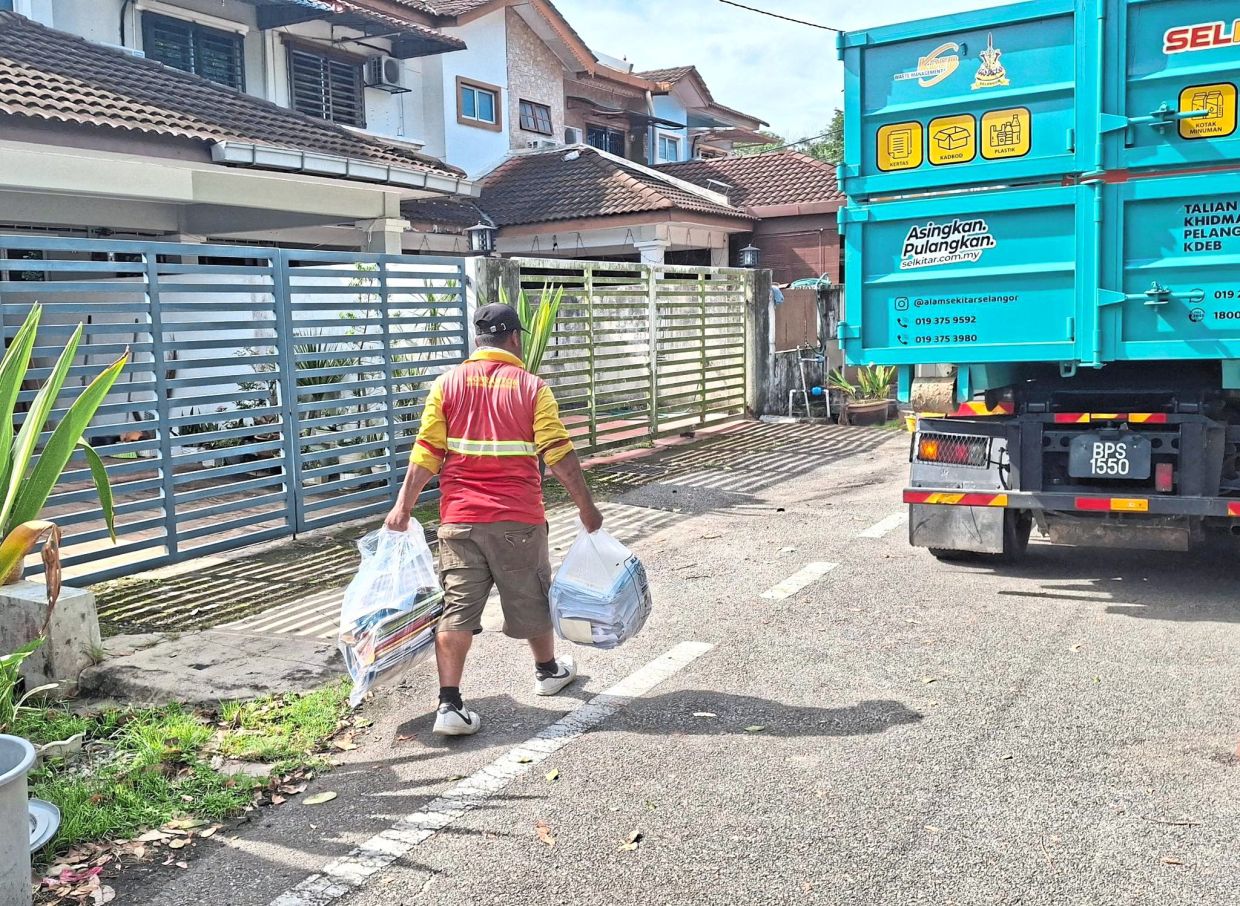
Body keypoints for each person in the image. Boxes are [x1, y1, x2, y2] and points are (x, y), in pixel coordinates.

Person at [385, 302, 604, 737]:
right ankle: (546, 671)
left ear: (477, 339)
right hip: (517, 520)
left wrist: (403, 507)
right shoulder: (531, 388)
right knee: (532, 597)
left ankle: (449, 705)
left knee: (457, 609)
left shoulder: (445, 385)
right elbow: (557, 452)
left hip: (459, 521)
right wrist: (586, 506)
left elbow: (426, 452)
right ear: (516, 339)